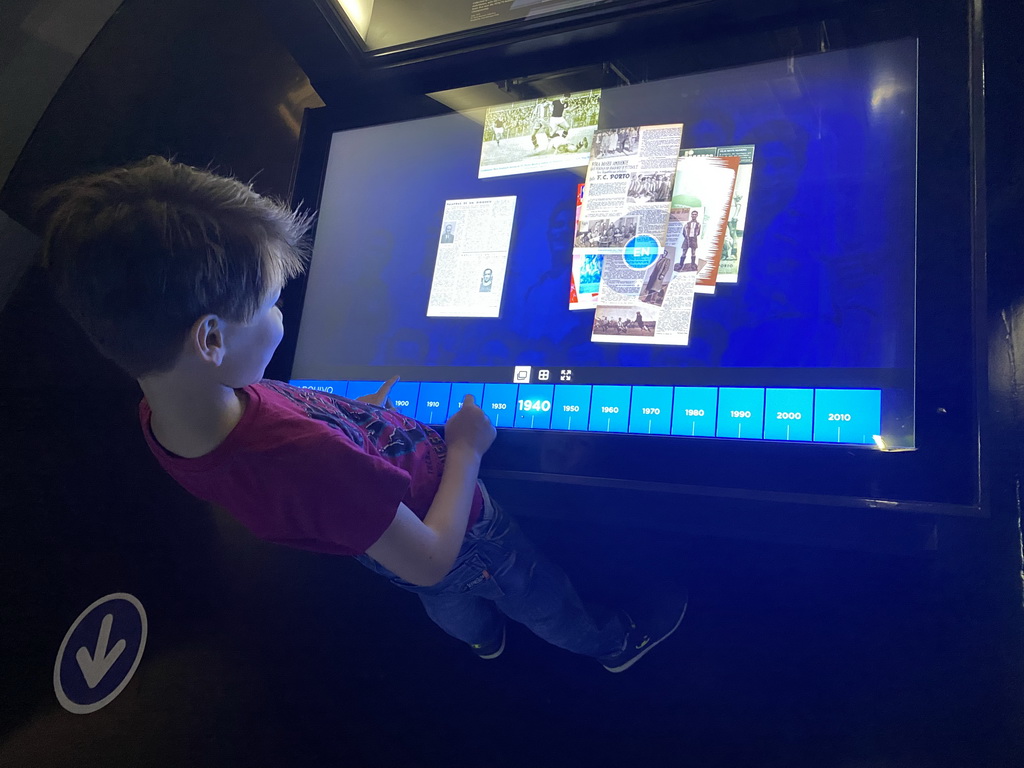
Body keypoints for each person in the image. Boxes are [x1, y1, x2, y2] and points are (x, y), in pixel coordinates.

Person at [39, 156, 686, 673]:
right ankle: (611, 644)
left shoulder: (163, 413)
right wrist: (465, 447)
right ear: (210, 340)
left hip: (369, 531)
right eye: (270, 303)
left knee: (446, 600)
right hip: (455, 527)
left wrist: (356, 417)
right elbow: (431, 556)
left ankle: (481, 640)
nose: (281, 316)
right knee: (524, 588)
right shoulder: (307, 463)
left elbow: (296, 446)